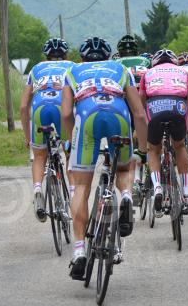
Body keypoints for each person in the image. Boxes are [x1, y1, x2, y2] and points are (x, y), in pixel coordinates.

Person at [61, 37, 147, 280]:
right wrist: (141, 148)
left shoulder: (73, 71)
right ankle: (127, 196)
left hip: (87, 117)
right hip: (118, 115)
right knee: (123, 167)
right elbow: (139, 113)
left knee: (81, 186)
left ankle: (79, 251)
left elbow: (66, 113)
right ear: (109, 57)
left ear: (83, 58)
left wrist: (70, 142)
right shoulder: (121, 70)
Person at [20, 38, 74, 222]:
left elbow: (23, 106)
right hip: (61, 108)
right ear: (65, 54)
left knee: (40, 155)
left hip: (39, 109)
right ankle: (73, 194)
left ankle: (37, 189)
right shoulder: (72, 66)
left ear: (47, 55)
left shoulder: (36, 68)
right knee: (70, 152)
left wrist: (28, 137)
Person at [139, 49, 188, 214]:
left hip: (154, 107)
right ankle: (185, 193)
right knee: (179, 146)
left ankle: (157, 187)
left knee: (154, 149)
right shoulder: (183, 72)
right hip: (177, 106)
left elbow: (140, 107)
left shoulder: (147, 73)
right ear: (174, 62)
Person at [116, 35, 152, 191]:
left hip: (127, 100)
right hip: (146, 98)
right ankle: (154, 165)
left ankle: (136, 178)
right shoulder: (146, 62)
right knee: (148, 139)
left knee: (130, 140)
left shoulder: (115, 63)